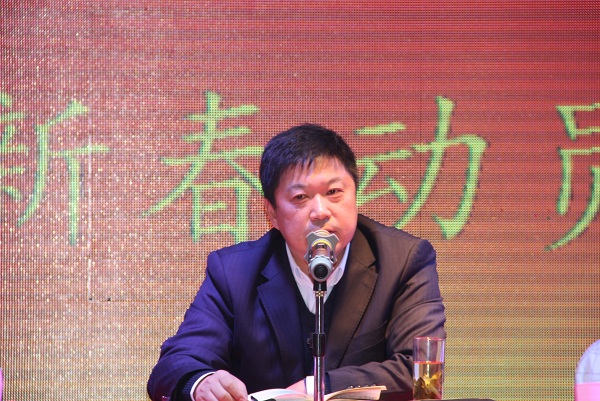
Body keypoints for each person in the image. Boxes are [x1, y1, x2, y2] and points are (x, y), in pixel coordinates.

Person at [147, 124, 446, 401]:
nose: (320, 211)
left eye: (334, 192)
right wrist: (201, 382)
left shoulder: (404, 260)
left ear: (355, 194)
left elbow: (425, 374)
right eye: (301, 197)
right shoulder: (234, 273)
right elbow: (175, 365)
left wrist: (318, 387)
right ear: (272, 214)